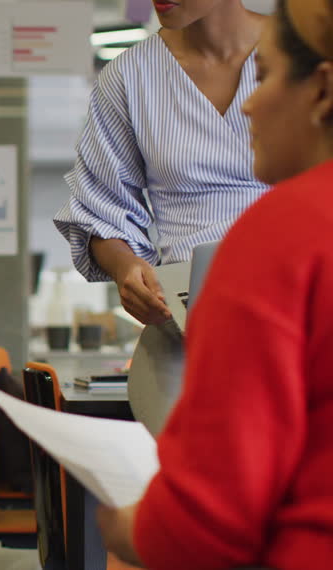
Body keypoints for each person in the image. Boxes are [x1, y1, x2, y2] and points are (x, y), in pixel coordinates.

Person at [96, 1, 333, 567]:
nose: (248, 102)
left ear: (321, 91)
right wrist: (128, 267)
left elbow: (207, 522)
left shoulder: (276, 236)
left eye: (266, 76)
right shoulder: (129, 78)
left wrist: (122, 528)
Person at [54, 0, 269, 324]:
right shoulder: (129, 76)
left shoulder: (307, 56)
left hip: (298, 301)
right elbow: (100, 209)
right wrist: (126, 266)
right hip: (186, 312)